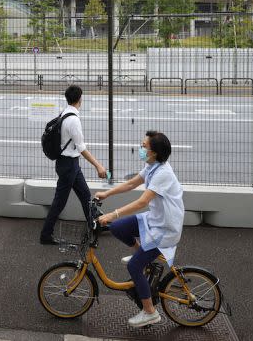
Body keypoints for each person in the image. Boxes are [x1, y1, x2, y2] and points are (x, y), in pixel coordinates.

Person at [95, 130, 184, 328]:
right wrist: (106, 194)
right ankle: (141, 254)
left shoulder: (163, 173)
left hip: (165, 229)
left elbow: (142, 202)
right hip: (155, 219)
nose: (141, 148)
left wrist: (112, 214)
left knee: (133, 267)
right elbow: (132, 183)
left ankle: (150, 312)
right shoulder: (152, 166)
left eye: (144, 146)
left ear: (154, 152)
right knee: (118, 228)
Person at [40, 85, 107, 245]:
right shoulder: (73, 119)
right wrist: (98, 166)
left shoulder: (64, 113)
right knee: (59, 202)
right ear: (80, 99)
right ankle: (45, 235)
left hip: (70, 164)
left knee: (85, 196)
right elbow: (81, 147)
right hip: (68, 165)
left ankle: (94, 225)